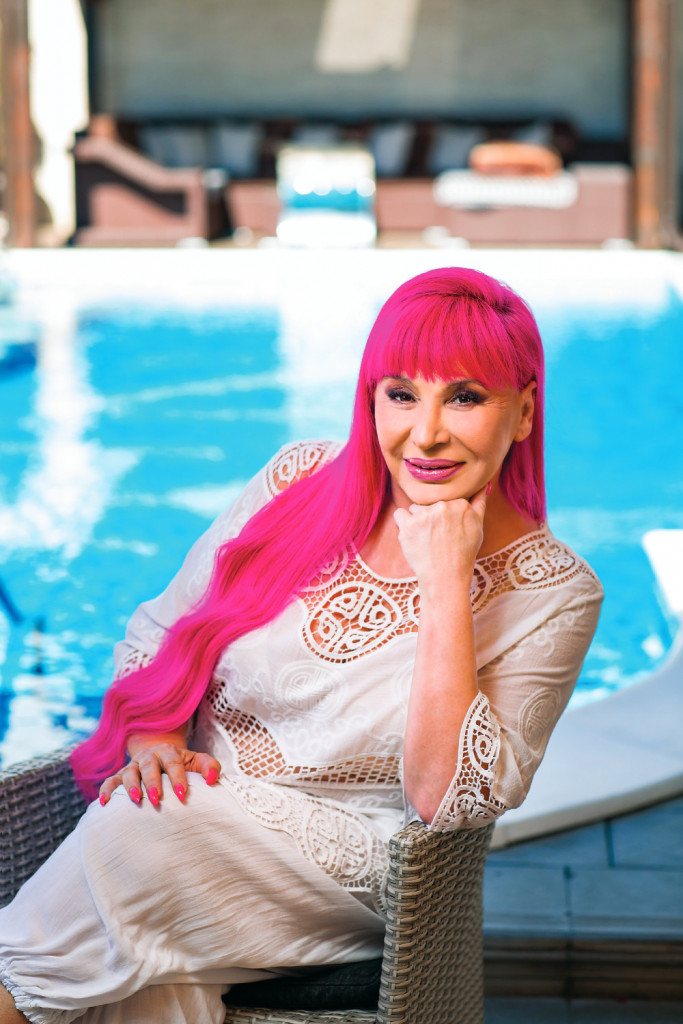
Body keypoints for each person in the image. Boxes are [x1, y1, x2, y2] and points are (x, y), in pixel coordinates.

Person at [0, 267, 602, 1024]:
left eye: (465, 398)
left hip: (355, 877)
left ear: (523, 412)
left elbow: (445, 800)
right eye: (401, 394)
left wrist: (447, 578)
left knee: (144, 828)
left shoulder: (554, 592)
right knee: (150, 977)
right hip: (185, 824)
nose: (425, 434)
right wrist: (156, 739)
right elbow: (159, 631)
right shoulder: (298, 479)